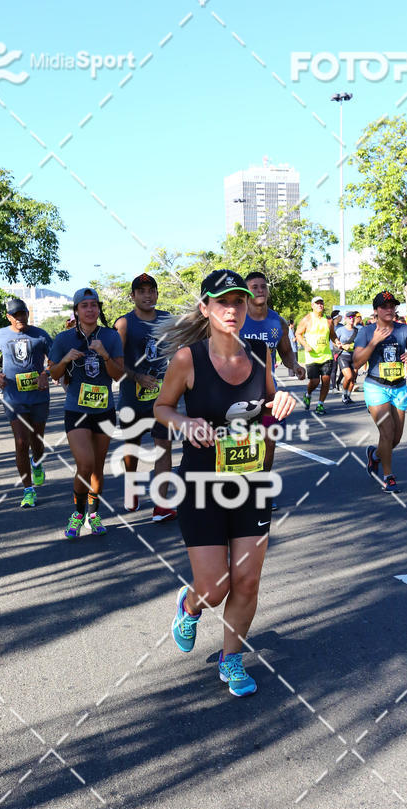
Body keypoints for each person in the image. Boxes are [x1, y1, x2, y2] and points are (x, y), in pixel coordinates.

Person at [154, 269, 295, 697]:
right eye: (222, 302)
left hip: (251, 482)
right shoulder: (188, 359)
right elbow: (162, 407)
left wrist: (282, 400)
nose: (231, 309)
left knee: (248, 580)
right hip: (201, 483)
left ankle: (231, 658)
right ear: (206, 308)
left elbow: (267, 405)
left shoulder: (257, 355)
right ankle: (189, 604)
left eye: (237, 301)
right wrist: (182, 419)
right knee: (215, 588)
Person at [48, 288, 124, 538]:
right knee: (85, 463)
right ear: (77, 311)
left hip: (104, 409)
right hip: (76, 410)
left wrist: (104, 356)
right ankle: (78, 513)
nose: (90, 310)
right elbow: (55, 375)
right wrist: (65, 360)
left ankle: (94, 513)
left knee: (98, 467)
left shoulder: (111, 337)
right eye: (85, 306)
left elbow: (118, 375)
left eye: (94, 305)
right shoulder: (63, 339)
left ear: (99, 308)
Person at [114, 273, 176, 521]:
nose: (147, 295)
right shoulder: (124, 324)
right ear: (133, 296)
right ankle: (132, 486)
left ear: (157, 294)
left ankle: (161, 505)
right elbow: (114, 364)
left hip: (162, 400)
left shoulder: (168, 320)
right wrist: (137, 377)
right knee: (132, 449)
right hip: (132, 398)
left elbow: (181, 350)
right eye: (142, 291)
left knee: (164, 447)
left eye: (152, 291)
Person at [0, 298, 52, 508]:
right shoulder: (0, 335)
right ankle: (28, 490)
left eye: (22, 313)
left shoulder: (40, 334)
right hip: (14, 398)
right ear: (9, 317)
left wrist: (45, 373)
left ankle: (37, 462)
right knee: (21, 442)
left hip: (39, 397)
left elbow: (55, 359)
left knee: (36, 441)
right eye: (15, 315)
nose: (19, 318)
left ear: (27, 313)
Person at [353, 291, 407, 493]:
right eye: (385, 306)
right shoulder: (366, 332)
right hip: (376, 387)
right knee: (387, 431)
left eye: (392, 306)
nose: (390, 309)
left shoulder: (404, 330)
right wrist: (373, 342)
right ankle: (388, 476)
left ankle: (374, 457)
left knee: (396, 438)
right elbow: (357, 362)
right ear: (376, 310)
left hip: (399, 386)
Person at [241, 272, 305, 475]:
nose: (260, 290)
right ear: (246, 292)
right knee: (240, 443)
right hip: (237, 393)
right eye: (254, 287)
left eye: (263, 286)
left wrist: (294, 365)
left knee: (269, 440)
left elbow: (285, 352)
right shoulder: (237, 319)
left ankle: (262, 483)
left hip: (269, 395)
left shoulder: (278, 322)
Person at [296, 296, 340, 415]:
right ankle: (308, 394)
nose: (320, 305)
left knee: (326, 381)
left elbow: (332, 335)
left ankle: (320, 405)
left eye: (321, 303)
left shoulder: (328, 320)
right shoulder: (307, 319)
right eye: (317, 303)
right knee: (315, 382)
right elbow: (298, 333)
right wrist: (305, 345)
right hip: (312, 357)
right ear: (312, 306)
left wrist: (337, 341)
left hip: (326, 356)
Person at [335, 311, 358, 404]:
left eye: (353, 317)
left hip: (355, 356)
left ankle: (348, 396)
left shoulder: (357, 330)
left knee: (353, 379)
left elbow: (361, 343)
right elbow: (334, 341)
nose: (351, 319)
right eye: (350, 318)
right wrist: (342, 346)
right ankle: (343, 395)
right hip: (343, 356)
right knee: (348, 377)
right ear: (346, 319)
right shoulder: (340, 330)